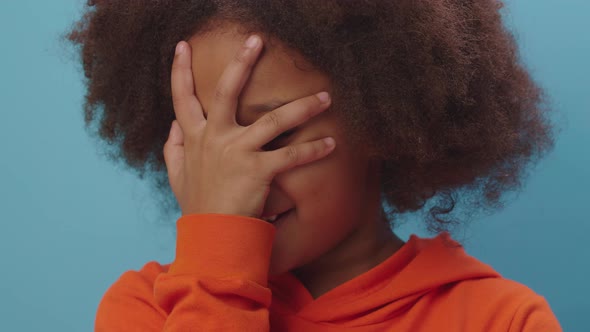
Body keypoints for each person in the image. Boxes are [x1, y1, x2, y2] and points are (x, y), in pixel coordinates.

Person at [66, 1, 562, 330]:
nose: (236, 178)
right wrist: (216, 265)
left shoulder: (502, 320)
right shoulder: (148, 310)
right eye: (207, 144)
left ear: (381, 120)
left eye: (275, 134)